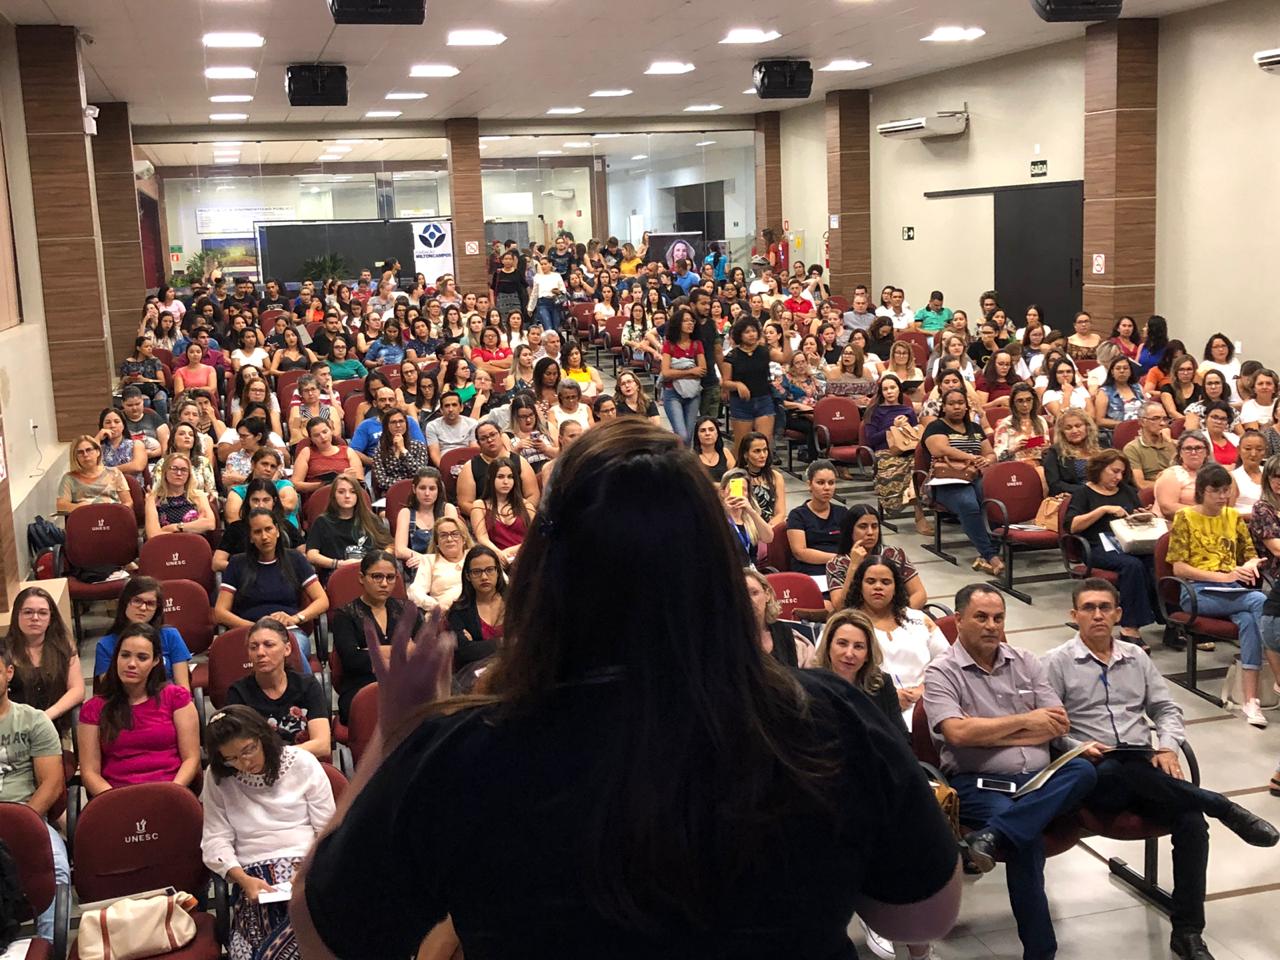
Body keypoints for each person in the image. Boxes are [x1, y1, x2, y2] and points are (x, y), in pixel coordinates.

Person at [295, 418, 964, 958]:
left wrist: (399, 728)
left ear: (546, 575)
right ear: (718, 568)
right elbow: (923, 913)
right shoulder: (822, 718)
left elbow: (325, 934)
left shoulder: (465, 751)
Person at [1044, 579, 1279, 960]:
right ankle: (1220, 804)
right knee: (1116, 772)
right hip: (1092, 769)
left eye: (1105, 607)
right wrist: (1077, 746)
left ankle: (1187, 931)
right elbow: (1049, 728)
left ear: (1119, 614)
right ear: (1074, 615)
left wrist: (1168, 746)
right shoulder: (1054, 663)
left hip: (1142, 762)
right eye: (1089, 608)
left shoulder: (1136, 658)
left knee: (1190, 822)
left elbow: (1166, 710)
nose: (1098, 615)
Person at [923, 583, 1098, 960]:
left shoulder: (1025, 661)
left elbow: (1058, 724)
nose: (991, 626)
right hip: (979, 786)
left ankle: (991, 837)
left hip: (1039, 783)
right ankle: (1041, 953)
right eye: (981, 617)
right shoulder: (942, 672)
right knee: (1027, 842)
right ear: (958, 621)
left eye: (998, 618)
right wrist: (1025, 722)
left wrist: (985, 731)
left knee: (1084, 770)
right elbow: (957, 733)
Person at [201, 705, 335, 960]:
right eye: (232, 758)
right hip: (253, 875)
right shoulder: (219, 777)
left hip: (307, 865)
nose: (244, 762)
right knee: (259, 938)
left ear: (263, 736)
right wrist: (242, 879)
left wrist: (308, 870)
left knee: (319, 930)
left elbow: (328, 829)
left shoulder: (302, 763)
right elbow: (215, 838)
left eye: (248, 750)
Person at [1166, 463, 1278, 726]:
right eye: (1216, 491)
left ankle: (1251, 701)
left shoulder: (1232, 516)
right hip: (1197, 591)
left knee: (1250, 620)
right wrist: (1224, 577)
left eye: (1226, 490)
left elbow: (1250, 554)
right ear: (1201, 491)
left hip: (1232, 592)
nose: (1222, 496)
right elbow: (1179, 567)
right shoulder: (1185, 518)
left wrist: (1250, 565)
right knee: (1260, 600)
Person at [77, 623, 201, 796]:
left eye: (142, 657)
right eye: (125, 655)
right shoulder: (93, 708)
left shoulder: (176, 698)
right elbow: (90, 772)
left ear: (155, 661)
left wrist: (173, 791)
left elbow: (191, 759)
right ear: (116, 658)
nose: (131, 664)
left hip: (170, 792)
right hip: (117, 798)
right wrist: (118, 801)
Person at [0, 645, 67, 941]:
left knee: (58, 871)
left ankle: (48, 946)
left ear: (8, 672)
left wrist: (21, 825)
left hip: (28, 816)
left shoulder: (33, 720)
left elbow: (51, 784)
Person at [841, 553, 947, 730]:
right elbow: (833, 677)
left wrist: (925, 688)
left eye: (885, 582)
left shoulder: (919, 619)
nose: (878, 587)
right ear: (860, 585)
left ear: (896, 587)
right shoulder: (845, 625)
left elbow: (947, 661)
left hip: (928, 703)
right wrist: (885, 697)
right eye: (870, 581)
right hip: (872, 712)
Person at [1065, 450, 1159, 646]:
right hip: (1098, 545)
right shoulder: (1083, 493)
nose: (1118, 477)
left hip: (1129, 541)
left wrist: (1143, 515)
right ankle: (1130, 626)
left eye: (1121, 473)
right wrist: (1102, 510)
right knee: (1132, 566)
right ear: (1100, 469)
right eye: (1114, 471)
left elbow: (1134, 512)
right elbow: (1072, 525)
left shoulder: (1126, 490)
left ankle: (1169, 619)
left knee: (1156, 561)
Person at [216, 509, 327, 669]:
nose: (264, 536)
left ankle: (303, 692)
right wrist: (253, 627)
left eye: (268, 529)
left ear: (278, 531)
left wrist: (295, 618)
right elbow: (220, 611)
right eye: (257, 532)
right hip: (250, 632)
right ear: (251, 538)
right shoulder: (237, 564)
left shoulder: (295, 559)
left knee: (289, 652)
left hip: (288, 631)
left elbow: (322, 600)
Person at [922, 389, 1006, 576]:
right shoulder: (936, 427)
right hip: (945, 482)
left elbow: (990, 453)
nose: (957, 407)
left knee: (995, 499)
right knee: (969, 504)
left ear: (966, 406)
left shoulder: (975, 429)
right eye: (952, 403)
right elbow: (940, 449)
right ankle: (991, 556)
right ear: (944, 407)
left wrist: (988, 460)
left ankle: (992, 549)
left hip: (974, 476)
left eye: (961, 402)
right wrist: (972, 457)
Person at [227, 618, 330, 757]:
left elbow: (322, 745)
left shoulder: (308, 685)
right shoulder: (239, 692)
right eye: (253, 647)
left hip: (304, 768)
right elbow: (240, 750)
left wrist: (278, 755)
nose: (260, 653)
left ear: (287, 649)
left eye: (268, 645)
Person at [1, 585, 83, 738]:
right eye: (28, 612)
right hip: (11, 731)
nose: (35, 618)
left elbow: (77, 690)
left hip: (50, 725)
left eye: (42, 613)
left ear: (51, 618)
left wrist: (46, 716)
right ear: (16, 615)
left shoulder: (64, 647)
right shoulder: (3, 651)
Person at [92, 576, 193, 689]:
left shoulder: (170, 636)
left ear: (157, 609)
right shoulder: (106, 645)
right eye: (137, 601)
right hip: (125, 704)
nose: (143, 608)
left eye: (150, 604)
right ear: (125, 602)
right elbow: (109, 692)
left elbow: (183, 688)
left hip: (169, 702)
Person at [862, 374, 931, 536]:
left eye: (892, 388)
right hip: (885, 452)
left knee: (919, 466)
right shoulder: (874, 412)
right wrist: (892, 428)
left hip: (908, 449)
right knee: (906, 467)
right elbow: (871, 439)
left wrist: (906, 427)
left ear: (899, 390)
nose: (889, 392)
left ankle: (919, 512)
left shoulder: (907, 410)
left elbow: (915, 435)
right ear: (881, 392)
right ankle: (919, 515)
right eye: (885, 389)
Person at [828, 505, 928, 610]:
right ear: (850, 530)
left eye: (875, 526)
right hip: (860, 620)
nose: (870, 532)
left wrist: (899, 616)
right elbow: (840, 606)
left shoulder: (894, 554)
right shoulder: (836, 564)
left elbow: (919, 594)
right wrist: (853, 566)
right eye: (863, 526)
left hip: (899, 616)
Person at [721, 317, 792, 448]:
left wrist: (786, 339)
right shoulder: (732, 356)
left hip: (764, 400)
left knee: (763, 443)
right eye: (747, 332)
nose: (751, 334)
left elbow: (785, 358)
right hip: (741, 404)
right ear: (740, 335)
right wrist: (737, 385)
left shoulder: (765, 351)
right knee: (742, 445)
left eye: (754, 331)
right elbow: (725, 383)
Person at [305, 475, 391, 579]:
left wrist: (375, 561)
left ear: (358, 495)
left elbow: (390, 546)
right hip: (336, 574)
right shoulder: (322, 522)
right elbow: (311, 555)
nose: (347, 496)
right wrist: (337, 564)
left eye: (352, 492)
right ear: (334, 496)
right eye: (341, 492)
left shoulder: (371, 519)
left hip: (370, 575)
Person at [216, 478, 303, 573]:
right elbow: (217, 563)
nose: (260, 505)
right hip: (246, 580)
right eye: (255, 500)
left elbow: (304, 556)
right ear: (248, 502)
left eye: (266, 500)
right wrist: (249, 569)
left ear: (274, 501)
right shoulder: (235, 529)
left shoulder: (286, 526)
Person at [446, 545, 508, 672]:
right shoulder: (459, 611)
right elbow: (465, 651)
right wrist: (504, 642)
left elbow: (527, 641)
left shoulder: (515, 601)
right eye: (477, 572)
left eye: (490, 570)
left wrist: (479, 645)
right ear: (468, 576)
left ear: (498, 572)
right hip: (477, 671)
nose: (484, 577)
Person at [786, 460, 849, 579]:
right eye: (820, 483)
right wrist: (839, 558)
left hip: (840, 571)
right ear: (809, 484)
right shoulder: (797, 515)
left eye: (831, 483)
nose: (827, 488)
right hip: (810, 572)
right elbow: (800, 553)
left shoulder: (842, 512)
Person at [470, 456, 535, 567]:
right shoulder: (479, 506)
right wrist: (498, 554)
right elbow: (482, 538)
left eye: (510, 477)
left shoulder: (526, 505)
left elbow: (536, 536)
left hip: (525, 556)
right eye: (500, 477)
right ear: (491, 478)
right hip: (495, 560)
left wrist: (510, 551)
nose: (506, 482)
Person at [744, 568, 816, 667]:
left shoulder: (783, 631)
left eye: (754, 593)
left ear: (767, 595)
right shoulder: (728, 638)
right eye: (742, 595)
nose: (749, 600)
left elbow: (793, 675)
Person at [660, 303, 707, 444]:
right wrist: (691, 371)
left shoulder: (697, 344)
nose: (690, 324)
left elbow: (702, 370)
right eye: (686, 321)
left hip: (693, 393)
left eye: (692, 321)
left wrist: (679, 372)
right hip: (672, 392)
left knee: (690, 435)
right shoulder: (669, 344)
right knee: (682, 435)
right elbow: (666, 372)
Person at [393, 466, 459, 565]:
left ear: (438, 490)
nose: (427, 493)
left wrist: (428, 561)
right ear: (414, 489)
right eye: (422, 488)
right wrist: (424, 560)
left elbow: (455, 545)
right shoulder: (405, 513)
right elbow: (400, 550)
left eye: (432, 489)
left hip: (445, 565)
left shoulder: (448, 509)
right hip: (416, 568)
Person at [405, 515, 472, 612]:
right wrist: (435, 606)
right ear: (437, 542)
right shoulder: (429, 561)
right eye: (443, 535)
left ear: (464, 538)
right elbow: (414, 591)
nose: (449, 539)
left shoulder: (476, 556)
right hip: (444, 614)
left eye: (455, 534)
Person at [144, 452, 217, 540]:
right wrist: (195, 526)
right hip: (166, 546)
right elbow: (153, 535)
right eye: (174, 469)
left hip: (195, 544)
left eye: (184, 470)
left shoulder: (198, 496)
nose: (179, 473)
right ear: (165, 472)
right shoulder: (153, 499)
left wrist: (176, 527)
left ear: (189, 474)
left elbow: (210, 524)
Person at [56, 433, 132, 512]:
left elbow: (128, 502)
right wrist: (79, 507)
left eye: (89, 450)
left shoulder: (114, 473)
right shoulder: (69, 478)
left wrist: (116, 513)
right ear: (75, 456)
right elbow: (60, 505)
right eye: (80, 452)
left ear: (98, 452)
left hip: (112, 517)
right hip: (85, 519)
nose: (85, 455)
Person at [291, 416, 363, 496]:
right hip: (318, 496)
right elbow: (295, 484)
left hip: (345, 495)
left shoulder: (348, 451)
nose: (322, 437)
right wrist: (321, 485)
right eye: (316, 435)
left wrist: (349, 478)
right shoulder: (306, 452)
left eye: (325, 432)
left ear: (331, 431)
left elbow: (361, 482)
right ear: (311, 439)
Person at [369, 407, 432, 499]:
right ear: (387, 426)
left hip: (417, 494)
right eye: (393, 422)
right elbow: (381, 481)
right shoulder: (380, 450)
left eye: (401, 421)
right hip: (390, 495)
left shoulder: (418, 446)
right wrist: (406, 483)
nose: (398, 425)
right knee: (383, 514)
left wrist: (403, 450)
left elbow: (420, 474)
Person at [1043, 409, 1103, 499]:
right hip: (1076, 497)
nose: (1074, 431)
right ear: (1062, 432)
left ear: (1087, 427)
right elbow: (1055, 485)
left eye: (1078, 426)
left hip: (1105, 493)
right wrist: (1088, 490)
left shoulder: (1102, 446)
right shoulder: (1055, 452)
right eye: (1068, 428)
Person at [718, 469, 773, 566]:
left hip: (751, 570)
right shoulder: (716, 516)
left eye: (744, 489)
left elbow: (768, 538)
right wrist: (724, 512)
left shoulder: (751, 517)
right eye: (733, 489)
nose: (740, 493)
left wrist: (752, 512)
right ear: (723, 492)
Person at [1154, 430, 1212, 520]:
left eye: (1198, 448)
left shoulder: (1214, 474)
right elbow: (1167, 509)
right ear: (1180, 453)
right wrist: (1204, 512)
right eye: (1188, 448)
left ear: (1207, 452)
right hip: (1175, 525)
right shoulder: (1171, 475)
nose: (1193, 452)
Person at [736, 431, 787, 523]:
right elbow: (736, 513)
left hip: (770, 527)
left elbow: (780, 513)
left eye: (765, 450)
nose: (763, 455)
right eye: (757, 451)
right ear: (745, 454)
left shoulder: (776, 476)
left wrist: (768, 530)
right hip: (747, 527)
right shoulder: (737, 478)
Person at [1124, 401, 1176, 490]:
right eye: (1155, 418)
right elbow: (1141, 484)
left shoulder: (1173, 444)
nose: (1162, 423)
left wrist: (1171, 442)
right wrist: (1171, 487)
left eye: (1165, 419)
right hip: (1153, 493)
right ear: (1142, 422)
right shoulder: (1132, 448)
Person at [424, 390, 478, 467]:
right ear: (441, 410)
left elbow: (474, 450)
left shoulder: (472, 423)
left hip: (467, 464)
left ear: (461, 407)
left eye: (454, 405)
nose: (450, 409)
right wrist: (444, 470)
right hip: (444, 464)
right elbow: (435, 454)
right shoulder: (432, 426)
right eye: (447, 406)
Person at [96, 406, 148, 476]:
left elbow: (137, 466)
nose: (112, 425)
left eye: (117, 422)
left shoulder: (136, 444)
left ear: (123, 425)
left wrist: (107, 471)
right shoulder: (98, 447)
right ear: (102, 426)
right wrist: (97, 438)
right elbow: (89, 468)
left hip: (131, 485)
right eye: (108, 422)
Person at [693, 415, 734, 482]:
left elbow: (736, 478)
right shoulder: (692, 457)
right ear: (697, 435)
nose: (707, 433)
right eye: (703, 431)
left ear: (717, 433)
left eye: (711, 430)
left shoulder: (726, 452)